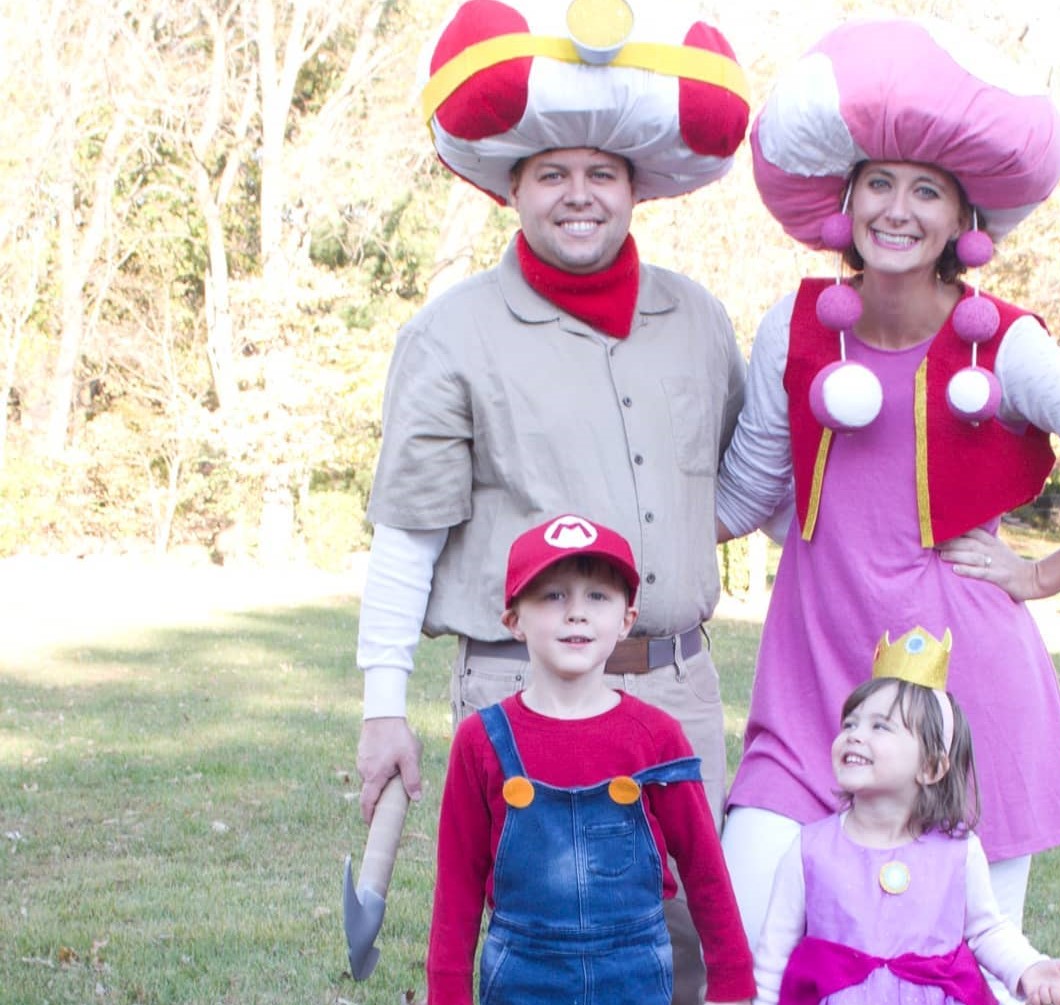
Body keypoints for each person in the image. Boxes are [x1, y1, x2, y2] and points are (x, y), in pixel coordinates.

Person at [716, 18, 1060, 1002]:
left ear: (960, 220)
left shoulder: (1005, 351)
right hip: (813, 690)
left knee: (952, 968)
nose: (897, 209)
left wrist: (1036, 577)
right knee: (749, 956)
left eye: (926, 190)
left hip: (961, 704)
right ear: (844, 198)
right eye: (879, 183)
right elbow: (740, 498)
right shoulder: (794, 328)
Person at [356, 4, 751, 1002]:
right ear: (511, 189)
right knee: (545, 953)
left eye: (601, 174)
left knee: (685, 946)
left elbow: (744, 489)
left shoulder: (700, 320)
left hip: (677, 696)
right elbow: (408, 533)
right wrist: (381, 708)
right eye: (552, 174)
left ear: (636, 189)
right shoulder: (450, 336)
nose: (580, 196)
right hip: (519, 700)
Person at [427, 514, 755, 1004]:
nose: (576, 613)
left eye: (597, 596)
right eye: (553, 595)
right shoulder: (482, 741)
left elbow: (704, 868)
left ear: (626, 619)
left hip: (634, 976)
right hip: (523, 976)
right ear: (513, 619)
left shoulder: (656, 737)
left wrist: (732, 979)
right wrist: (447, 993)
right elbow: (457, 884)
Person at [752, 627, 1060, 1005]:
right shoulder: (810, 850)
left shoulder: (958, 851)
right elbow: (774, 956)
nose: (856, 735)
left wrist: (1029, 967)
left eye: (880, 726)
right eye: (850, 724)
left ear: (930, 767)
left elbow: (987, 929)